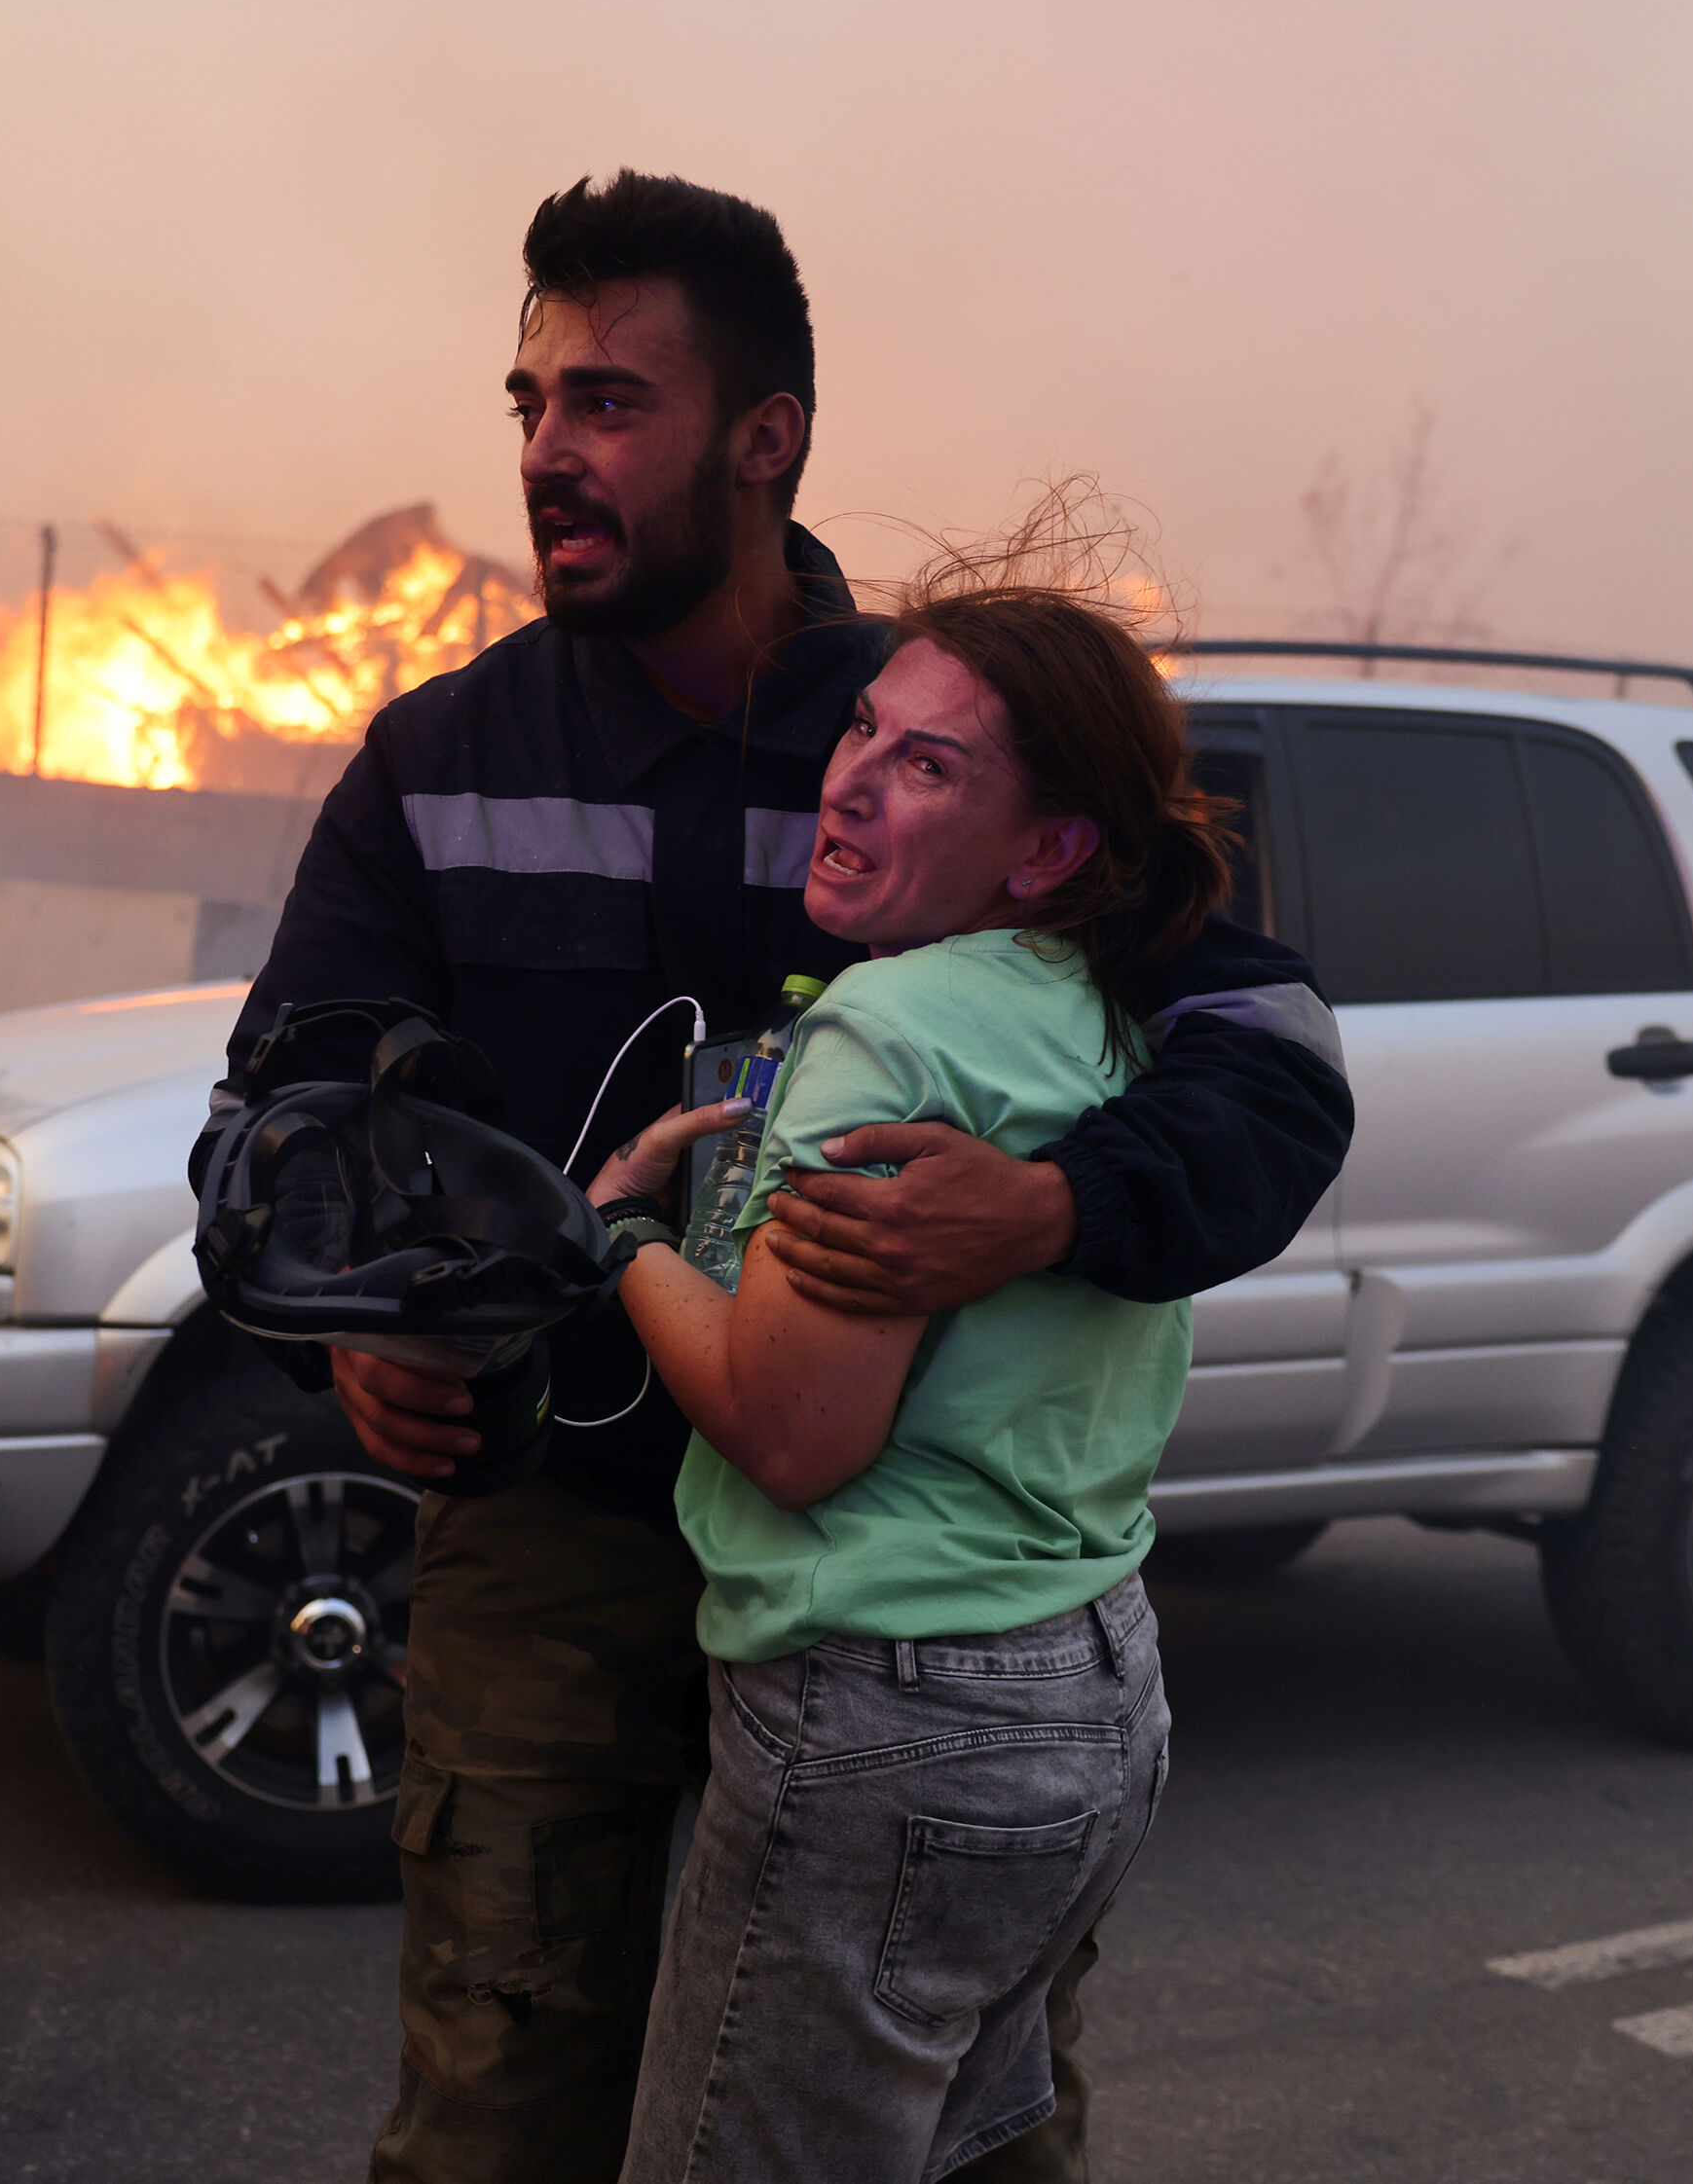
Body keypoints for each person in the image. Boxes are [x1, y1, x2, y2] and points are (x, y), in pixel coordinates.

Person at [193, 170, 1353, 2184]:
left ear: (763, 436)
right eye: (529, 399)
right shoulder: (432, 757)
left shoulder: (945, 739)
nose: (551, 450)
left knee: (935, 2138)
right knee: (500, 2111)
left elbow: (1269, 1051)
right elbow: (281, 1119)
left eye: (611, 402)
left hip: (885, 1599)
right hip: (548, 1544)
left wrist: (1051, 1204)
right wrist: (353, 1348)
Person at [586, 569, 1216, 2183]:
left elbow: (795, 1431)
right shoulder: (1116, 1013)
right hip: (1095, 1697)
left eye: (929, 764)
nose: (851, 777)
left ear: (1048, 848)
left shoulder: (892, 1028)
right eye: (864, 726)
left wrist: (615, 1235)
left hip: (890, 1712)